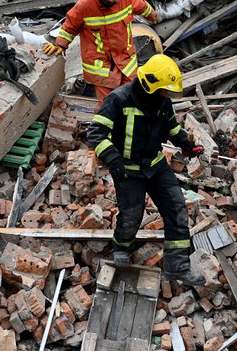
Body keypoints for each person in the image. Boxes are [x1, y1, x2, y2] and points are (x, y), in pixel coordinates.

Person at [86, 54, 205, 285]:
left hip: (155, 165)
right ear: (150, 84)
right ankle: (121, 248)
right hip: (128, 169)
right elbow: (96, 133)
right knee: (131, 215)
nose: (166, 94)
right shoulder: (118, 99)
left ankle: (178, 267)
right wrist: (113, 159)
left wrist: (187, 145)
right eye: (163, 90)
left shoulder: (162, 102)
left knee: (177, 209)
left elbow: (172, 128)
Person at [43, 0, 157, 106]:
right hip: (102, 67)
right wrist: (59, 44)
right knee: (108, 105)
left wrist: (153, 15)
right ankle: (106, 127)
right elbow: (70, 25)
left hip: (126, 61)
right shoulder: (85, 6)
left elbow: (143, 7)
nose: (112, 1)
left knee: (133, 99)